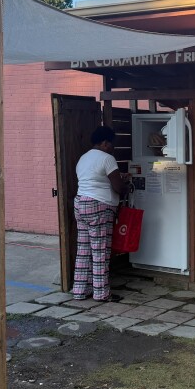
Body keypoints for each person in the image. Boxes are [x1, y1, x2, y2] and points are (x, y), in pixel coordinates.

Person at [72, 126, 129, 301]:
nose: (112, 147)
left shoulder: (83, 158)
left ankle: (80, 291)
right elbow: (117, 187)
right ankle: (101, 293)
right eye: (111, 144)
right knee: (100, 251)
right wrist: (125, 184)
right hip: (99, 206)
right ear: (105, 143)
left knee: (83, 250)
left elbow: (94, 179)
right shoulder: (107, 158)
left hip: (80, 204)